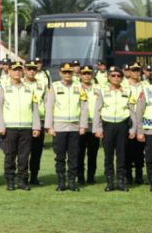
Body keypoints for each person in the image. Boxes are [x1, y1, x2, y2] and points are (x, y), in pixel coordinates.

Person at [0, 61, 41, 190]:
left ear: (23, 72)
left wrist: (36, 126)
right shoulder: (2, 87)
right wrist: (0, 126)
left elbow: (35, 108)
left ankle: (22, 181)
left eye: (20, 70)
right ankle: (10, 181)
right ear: (9, 72)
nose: (17, 72)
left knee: (24, 157)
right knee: (10, 156)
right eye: (14, 70)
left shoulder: (29, 88)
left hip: (26, 128)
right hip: (9, 128)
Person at [45, 62, 88, 191]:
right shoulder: (54, 87)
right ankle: (61, 182)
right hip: (59, 127)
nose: (67, 74)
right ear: (60, 73)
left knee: (74, 156)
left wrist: (83, 125)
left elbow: (84, 107)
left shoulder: (79, 87)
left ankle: (72, 182)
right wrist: (49, 126)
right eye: (65, 72)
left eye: (69, 72)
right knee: (60, 156)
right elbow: (49, 107)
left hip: (75, 127)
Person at [93, 65, 135, 192]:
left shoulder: (128, 91)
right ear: (108, 77)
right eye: (113, 75)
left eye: (119, 76)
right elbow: (97, 111)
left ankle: (121, 181)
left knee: (122, 155)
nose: (116, 78)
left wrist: (133, 129)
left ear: (122, 78)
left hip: (122, 125)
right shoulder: (102, 91)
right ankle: (110, 182)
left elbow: (132, 111)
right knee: (108, 155)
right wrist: (97, 128)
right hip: (108, 126)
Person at [24, 60, 47, 185]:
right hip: (25, 121)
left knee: (36, 151)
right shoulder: (19, 84)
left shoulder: (42, 84)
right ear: (24, 70)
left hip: (40, 121)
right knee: (23, 152)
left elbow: (47, 103)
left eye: (34, 69)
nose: (31, 71)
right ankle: (23, 176)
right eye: (29, 69)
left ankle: (34, 177)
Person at [77, 65, 100, 185]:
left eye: (89, 73)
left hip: (94, 125)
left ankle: (91, 177)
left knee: (93, 154)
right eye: (84, 73)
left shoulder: (98, 89)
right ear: (80, 75)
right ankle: (80, 177)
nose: (86, 76)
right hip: (80, 125)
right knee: (79, 153)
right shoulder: (75, 88)